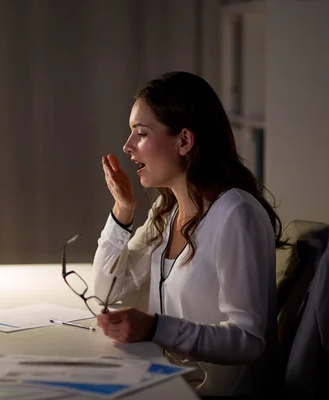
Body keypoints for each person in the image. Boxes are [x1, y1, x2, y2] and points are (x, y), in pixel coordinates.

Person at [92, 71, 283, 399]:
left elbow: (248, 340)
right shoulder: (166, 213)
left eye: (141, 134)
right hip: (165, 383)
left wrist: (155, 328)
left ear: (184, 141)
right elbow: (106, 291)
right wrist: (122, 210)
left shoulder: (237, 214)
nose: (127, 147)